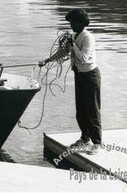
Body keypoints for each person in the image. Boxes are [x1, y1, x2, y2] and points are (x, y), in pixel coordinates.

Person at [40, 8, 101, 154]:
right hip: (79, 75)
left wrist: (72, 44)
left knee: (92, 109)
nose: (71, 25)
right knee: (80, 110)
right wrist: (47, 60)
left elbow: (83, 58)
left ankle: (97, 143)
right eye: (70, 22)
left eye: (74, 22)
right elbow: (63, 52)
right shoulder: (74, 36)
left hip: (90, 76)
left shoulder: (87, 37)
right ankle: (85, 137)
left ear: (82, 23)